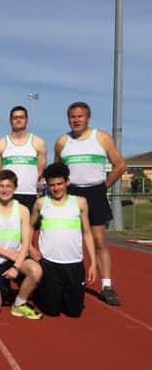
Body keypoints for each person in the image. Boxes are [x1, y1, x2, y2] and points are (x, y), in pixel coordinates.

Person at [54, 102, 126, 306]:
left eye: (80, 116)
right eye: (72, 117)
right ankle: (69, 281)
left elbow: (120, 165)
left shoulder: (101, 137)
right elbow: (58, 170)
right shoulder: (62, 141)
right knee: (69, 239)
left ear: (88, 118)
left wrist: (104, 186)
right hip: (72, 194)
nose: (76, 120)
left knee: (99, 241)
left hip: (95, 192)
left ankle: (106, 285)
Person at [30, 162, 97, 317]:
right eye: (52, 185)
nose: (56, 188)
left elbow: (87, 232)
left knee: (74, 312)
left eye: (60, 183)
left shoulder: (80, 202)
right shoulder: (41, 203)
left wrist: (93, 262)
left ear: (67, 182)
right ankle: (43, 291)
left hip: (74, 263)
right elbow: (29, 226)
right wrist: (30, 247)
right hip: (50, 263)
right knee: (52, 311)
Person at [0, 170, 43, 319]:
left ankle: (19, 304)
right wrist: (10, 255)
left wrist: (16, 266)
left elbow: (26, 241)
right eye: (1, 186)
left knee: (36, 270)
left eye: (9, 186)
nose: (4, 190)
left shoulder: (23, 210)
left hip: (15, 260)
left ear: (15, 187)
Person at [0, 106, 47, 211]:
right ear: (10, 121)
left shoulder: (38, 143)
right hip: (8, 195)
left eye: (21, 117)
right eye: (15, 118)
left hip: (30, 194)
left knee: (29, 227)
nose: (18, 120)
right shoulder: (0, 144)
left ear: (27, 120)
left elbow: (40, 171)